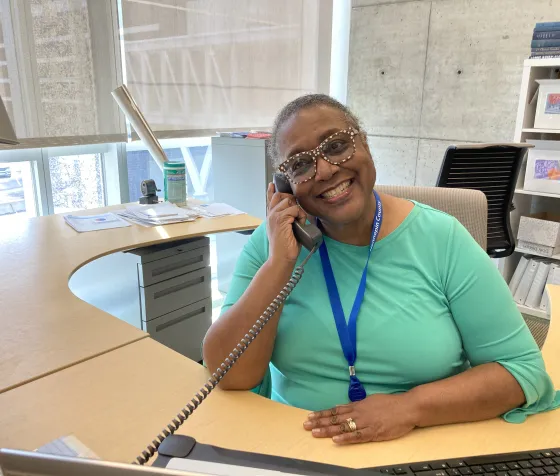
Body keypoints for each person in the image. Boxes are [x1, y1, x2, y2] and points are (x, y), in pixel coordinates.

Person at [202, 94, 560, 445]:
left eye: (337, 145)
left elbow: (521, 371)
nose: (325, 169)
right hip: (297, 447)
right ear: (285, 186)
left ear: (365, 144)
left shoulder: (441, 238)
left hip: (420, 447)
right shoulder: (274, 246)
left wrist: (410, 408)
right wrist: (280, 263)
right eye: (300, 165)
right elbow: (229, 374)